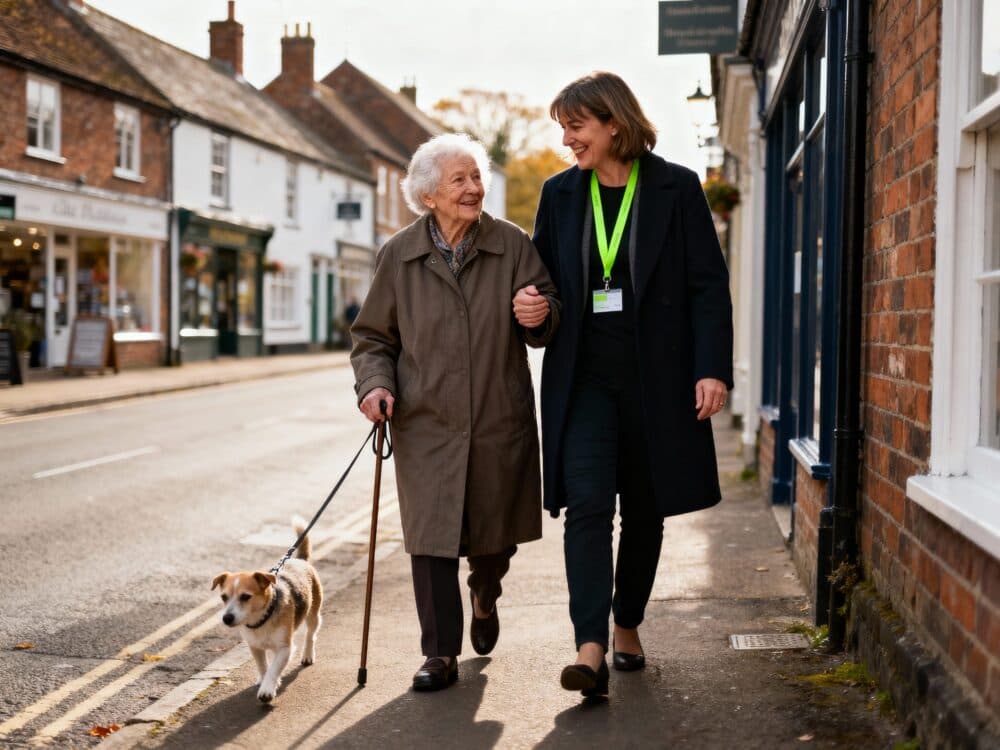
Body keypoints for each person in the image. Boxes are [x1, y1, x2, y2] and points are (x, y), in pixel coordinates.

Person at [531, 72, 734, 698]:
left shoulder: (676, 188)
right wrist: (535, 308)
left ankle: (627, 622)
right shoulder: (560, 195)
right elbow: (545, 283)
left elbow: (707, 285)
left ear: (613, 123)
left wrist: (712, 368)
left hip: (659, 383)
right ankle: (588, 647)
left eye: (575, 126)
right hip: (584, 382)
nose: (567, 140)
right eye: (563, 128)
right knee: (588, 507)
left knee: (645, 510)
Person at [351, 132, 560, 692]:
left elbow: (547, 320)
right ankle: (439, 653)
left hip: (496, 417)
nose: (474, 189)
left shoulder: (513, 245)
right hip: (425, 423)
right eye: (460, 180)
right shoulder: (398, 255)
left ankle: (485, 592)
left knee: (494, 538)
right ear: (428, 196)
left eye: (477, 178)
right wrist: (374, 387)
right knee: (431, 538)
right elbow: (373, 337)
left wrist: (538, 312)